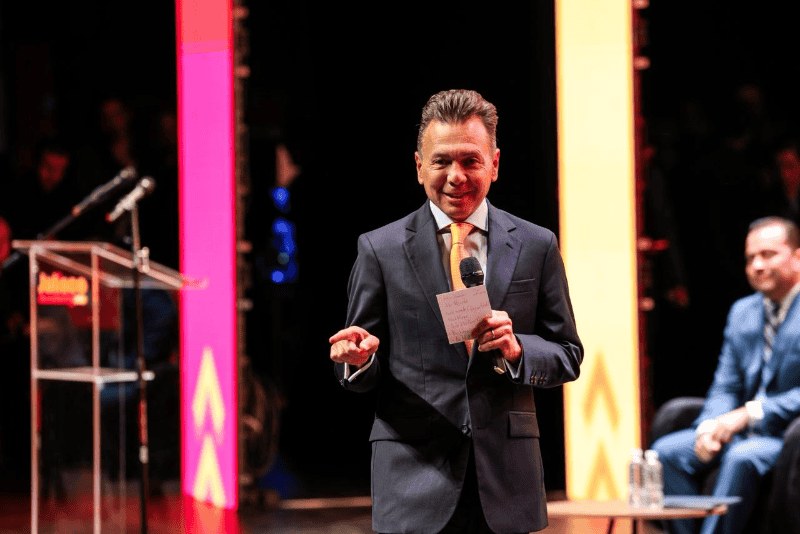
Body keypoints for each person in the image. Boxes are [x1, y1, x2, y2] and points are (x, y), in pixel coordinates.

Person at [328, 89, 583, 534]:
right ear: (418, 166)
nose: (455, 176)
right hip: (413, 476)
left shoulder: (536, 245)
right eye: (441, 161)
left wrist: (518, 350)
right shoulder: (380, 249)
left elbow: (568, 353)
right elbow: (359, 358)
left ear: (495, 164)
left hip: (506, 480)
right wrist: (359, 359)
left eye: (470, 161)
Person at [652, 216, 800, 534]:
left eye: (768, 254)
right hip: (740, 432)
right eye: (750, 258)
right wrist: (710, 426)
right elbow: (726, 384)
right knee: (666, 452)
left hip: (785, 433)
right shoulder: (742, 312)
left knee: (742, 457)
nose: (757, 266)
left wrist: (749, 414)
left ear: (797, 256)